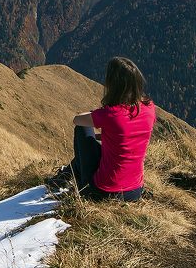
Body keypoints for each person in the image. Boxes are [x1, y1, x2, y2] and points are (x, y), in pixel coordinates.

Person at [66, 57, 156, 202]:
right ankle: (69, 172)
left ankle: (77, 180)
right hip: (135, 191)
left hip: (103, 192)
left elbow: (77, 119)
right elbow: (125, 136)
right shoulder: (149, 107)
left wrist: (97, 113)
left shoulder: (110, 114)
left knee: (82, 129)